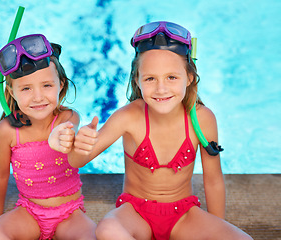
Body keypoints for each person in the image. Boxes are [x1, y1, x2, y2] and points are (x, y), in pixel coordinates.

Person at [49, 22, 253, 239]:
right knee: (107, 229)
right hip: (136, 213)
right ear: (137, 80)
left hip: (183, 216)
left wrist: (216, 229)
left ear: (190, 77)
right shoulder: (129, 116)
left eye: (172, 77)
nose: (161, 88)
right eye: (150, 78)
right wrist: (80, 145)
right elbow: (78, 161)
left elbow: (213, 180)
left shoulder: (202, 119)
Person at [0, 34, 96, 240]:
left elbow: (67, 135)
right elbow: (0, 175)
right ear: (12, 91)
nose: (38, 97)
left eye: (47, 85)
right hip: (29, 211)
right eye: (26, 88)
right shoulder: (8, 130)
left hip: (70, 213)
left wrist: (60, 136)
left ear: (60, 85)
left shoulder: (67, 117)